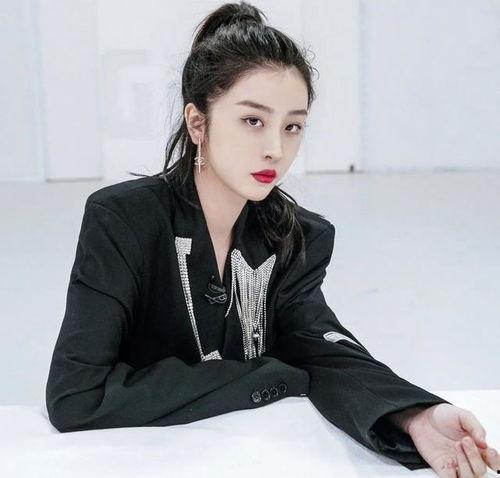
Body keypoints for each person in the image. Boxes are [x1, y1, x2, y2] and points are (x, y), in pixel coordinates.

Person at [45, 2, 499, 476]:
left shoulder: (296, 236)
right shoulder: (124, 221)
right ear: (198, 122)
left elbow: (320, 347)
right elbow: (76, 396)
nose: (276, 149)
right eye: (253, 121)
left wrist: (415, 415)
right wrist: (266, 376)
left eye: (292, 126)